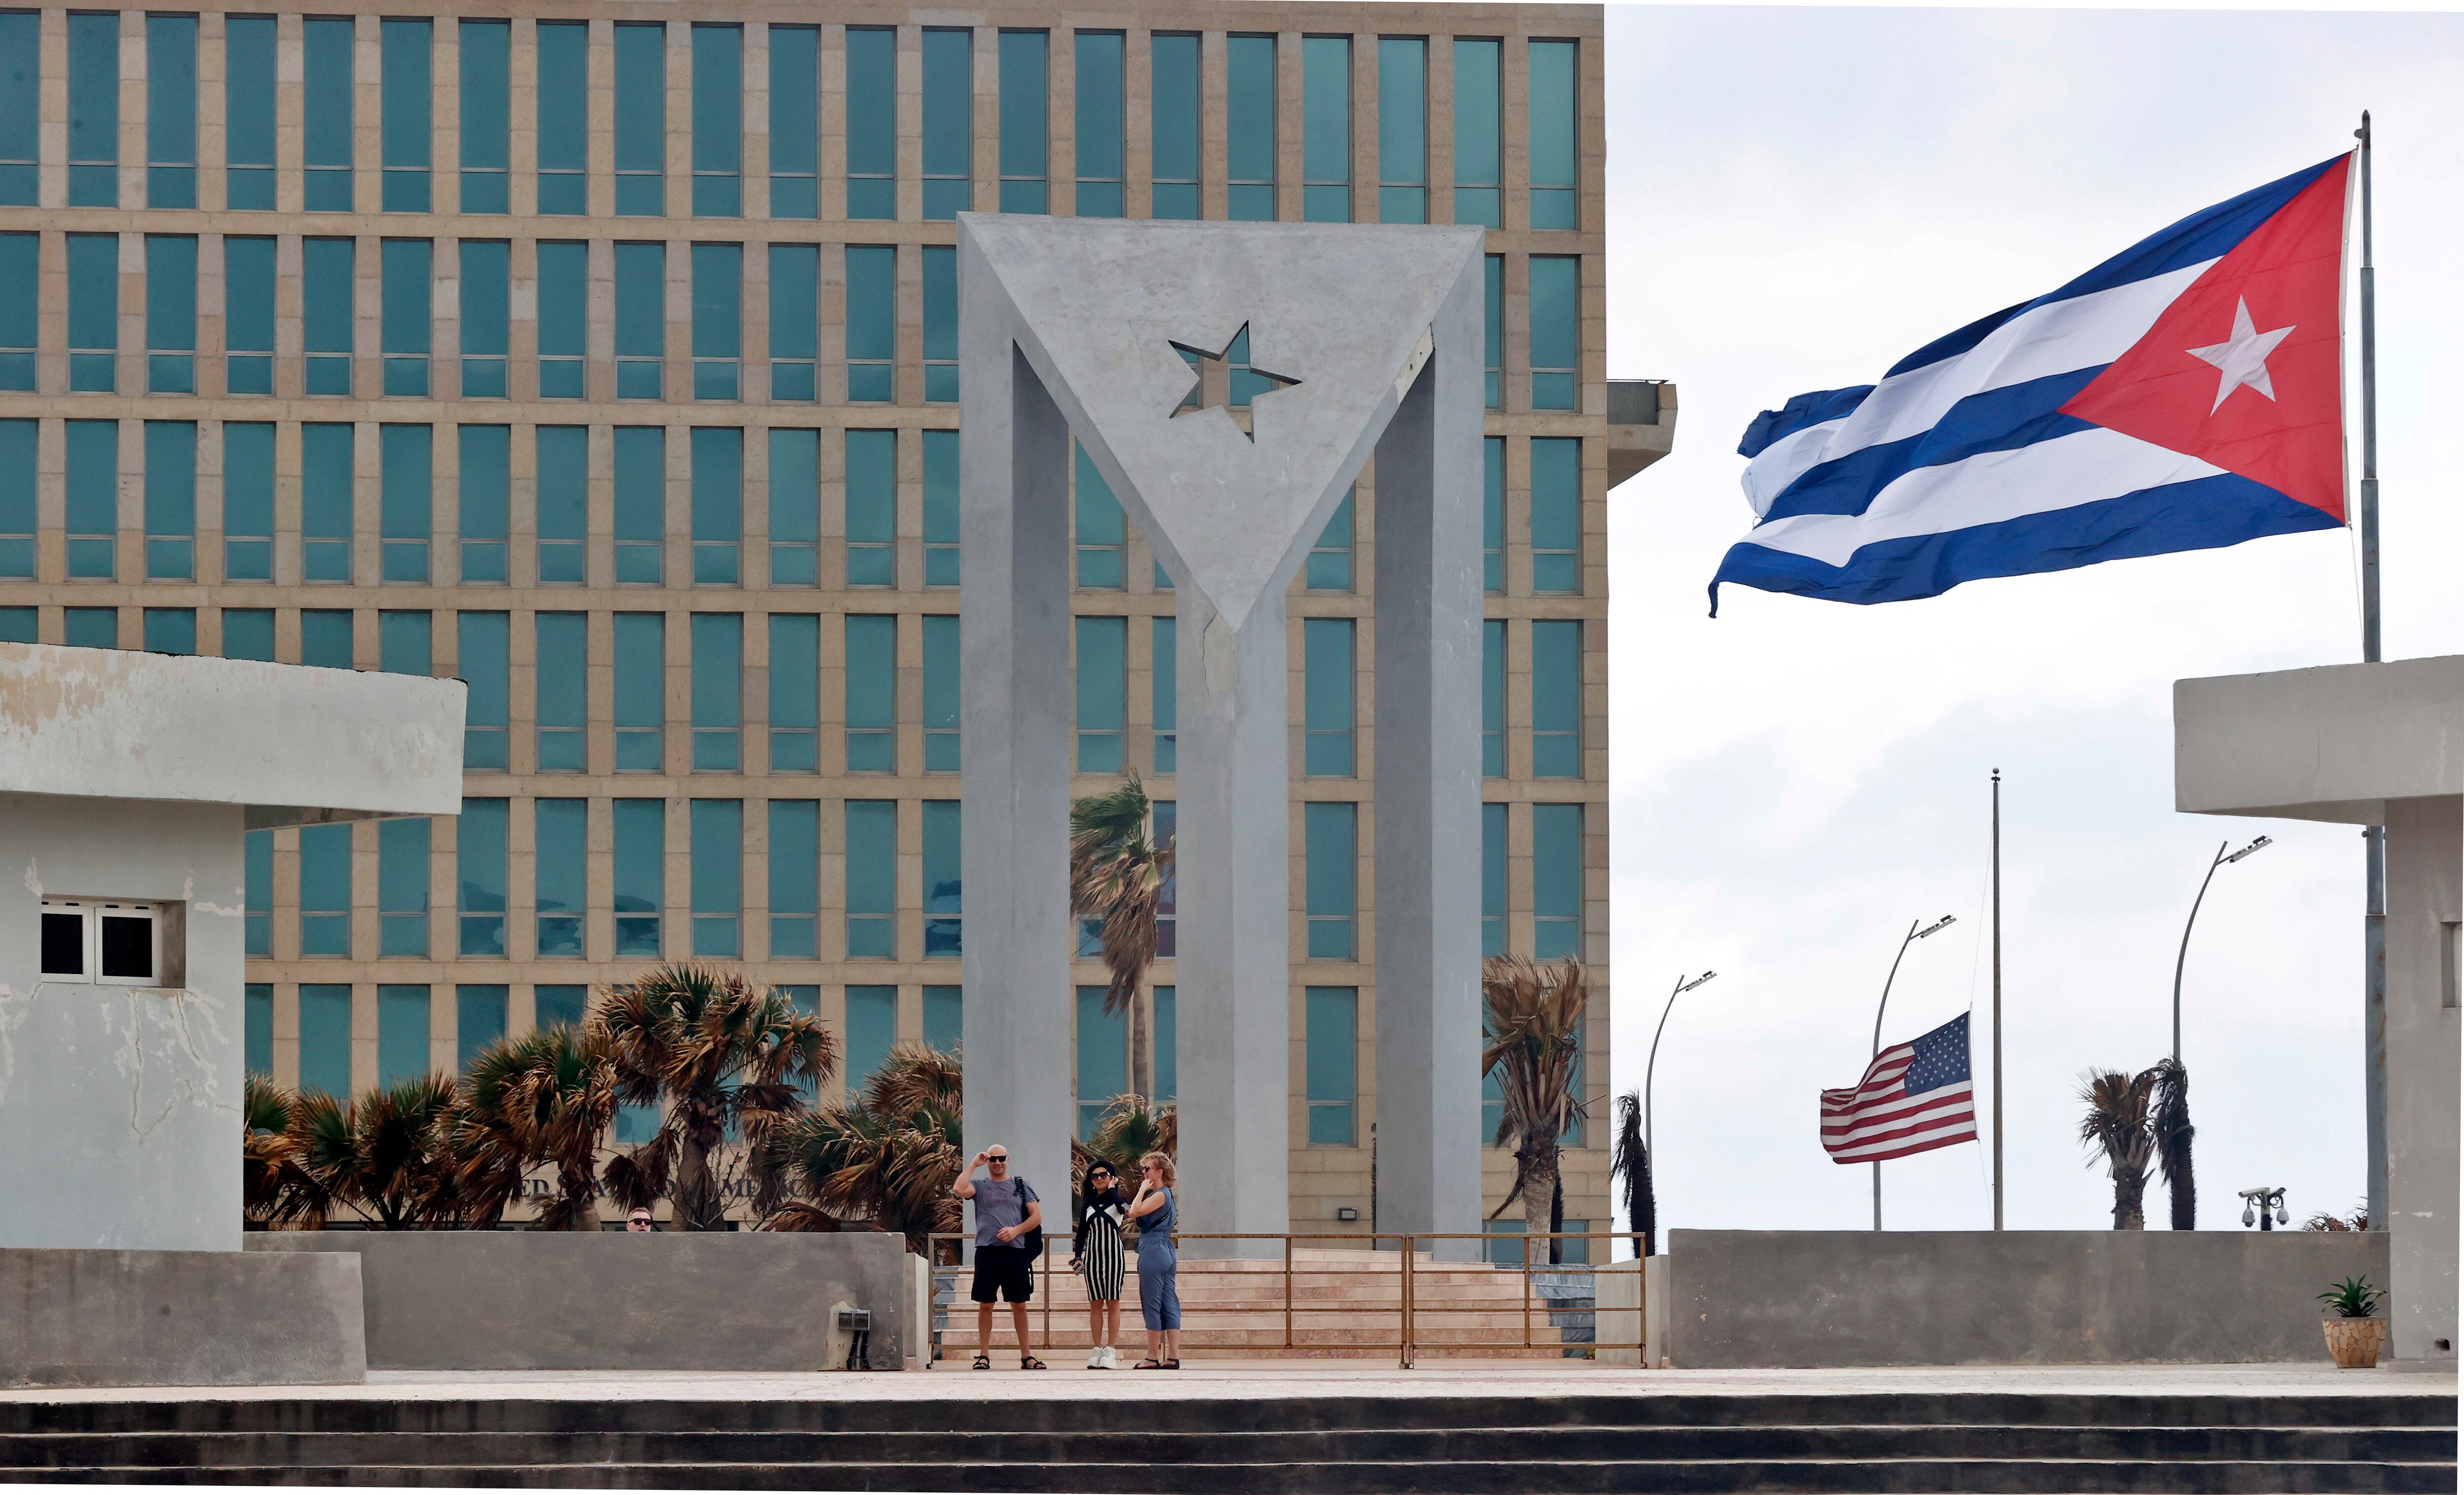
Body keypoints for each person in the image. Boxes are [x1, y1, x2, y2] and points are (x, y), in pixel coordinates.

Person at [951, 1144, 1045, 1370]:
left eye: (1001, 1158)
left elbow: (1036, 1218)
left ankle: (1027, 1356)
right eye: (993, 1159)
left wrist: (1016, 1230)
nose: (997, 1163)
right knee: (986, 1304)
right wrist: (974, 1164)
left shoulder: (1021, 1186)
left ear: (1008, 1159)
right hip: (987, 1251)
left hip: (1015, 1251)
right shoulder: (980, 1186)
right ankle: (984, 1355)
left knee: (1019, 1304)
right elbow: (958, 1189)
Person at [1069, 1159, 1128, 1369]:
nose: (1100, 1179)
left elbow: (1123, 1208)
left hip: (1114, 1256)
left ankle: (1111, 1350)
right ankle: (1097, 1348)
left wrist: (1112, 1189)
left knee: (1113, 1302)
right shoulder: (1088, 1205)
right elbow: (1082, 1233)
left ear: (1112, 1178)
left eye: (1104, 1175)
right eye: (1095, 1176)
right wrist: (1078, 1257)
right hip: (1093, 1257)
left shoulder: (1118, 1201)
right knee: (1095, 1303)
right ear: (1091, 1181)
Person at [1126, 1151, 1180, 1369]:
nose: (1144, 1173)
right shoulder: (1167, 1195)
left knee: (1152, 1302)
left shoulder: (1159, 1195)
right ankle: (1173, 1356)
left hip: (1154, 1248)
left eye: (1147, 1169)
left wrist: (1141, 1190)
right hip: (1165, 1248)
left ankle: (1151, 1356)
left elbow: (1134, 1211)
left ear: (1159, 1172)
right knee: (1169, 1301)